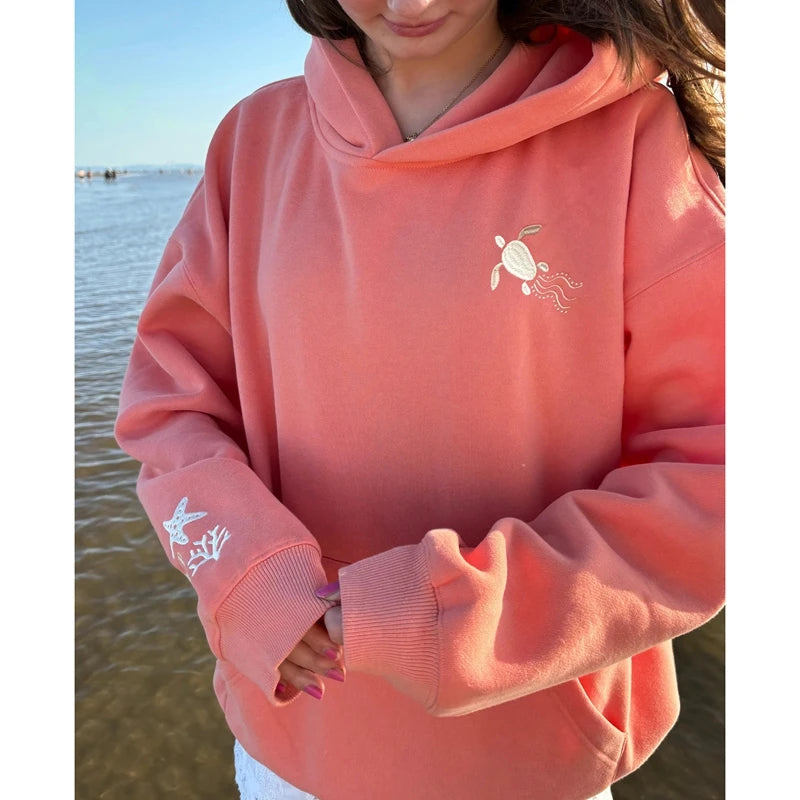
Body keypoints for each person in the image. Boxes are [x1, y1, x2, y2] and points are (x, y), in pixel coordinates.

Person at [115, 0, 725, 798]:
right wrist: (244, 571)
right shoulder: (254, 140)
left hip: (531, 756)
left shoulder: (633, 140)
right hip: (290, 746)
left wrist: (461, 612)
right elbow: (170, 405)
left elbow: (721, 472)